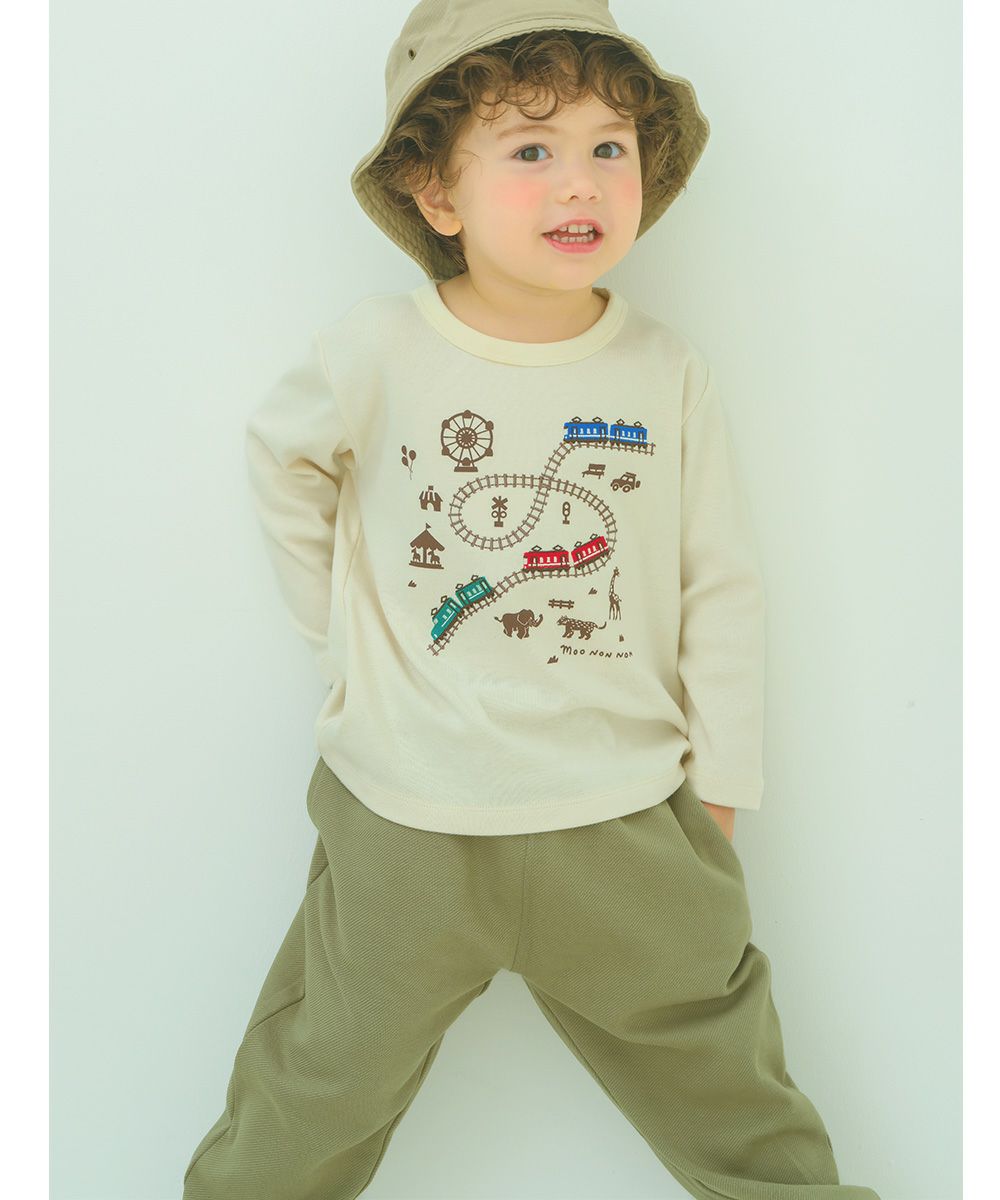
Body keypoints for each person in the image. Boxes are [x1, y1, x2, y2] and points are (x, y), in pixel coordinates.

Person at [181, 2, 882, 1197]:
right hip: (408, 819)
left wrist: (719, 788)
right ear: (434, 190)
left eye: (609, 146)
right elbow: (282, 462)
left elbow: (720, 581)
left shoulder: (663, 371)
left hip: (625, 822)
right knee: (314, 1092)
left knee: (740, 1115)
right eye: (529, 148)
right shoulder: (376, 349)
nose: (580, 181)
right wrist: (346, 642)